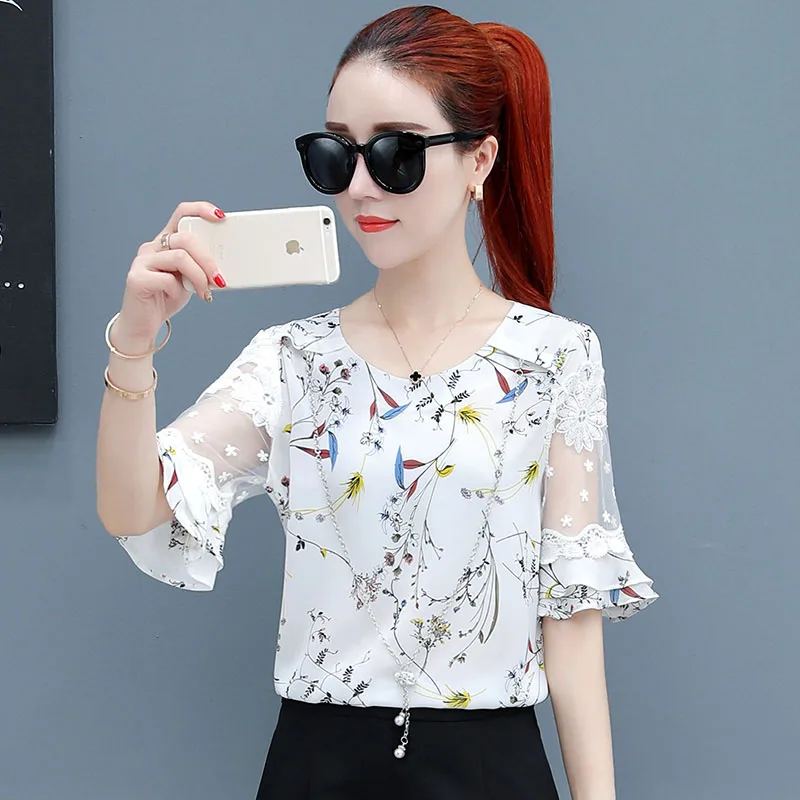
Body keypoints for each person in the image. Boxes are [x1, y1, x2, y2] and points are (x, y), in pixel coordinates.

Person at [96, 6, 658, 798]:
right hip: (318, 769)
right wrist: (134, 339)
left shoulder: (554, 359)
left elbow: (571, 631)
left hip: (491, 771)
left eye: (396, 152)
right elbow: (133, 508)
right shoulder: (293, 361)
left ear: (478, 160)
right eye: (336, 154)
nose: (360, 186)